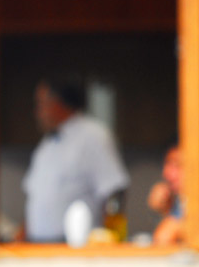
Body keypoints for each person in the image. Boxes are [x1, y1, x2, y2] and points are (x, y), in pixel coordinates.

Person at [22, 79, 129, 243]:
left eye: (41, 103)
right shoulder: (47, 144)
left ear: (58, 103)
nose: (37, 112)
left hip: (74, 246)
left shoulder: (92, 136)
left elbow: (115, 189)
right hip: (37, 245)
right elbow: (37, 197)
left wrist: (112, 236)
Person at [147, 145, 184, 246]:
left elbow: (164, 237)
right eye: (168, 165)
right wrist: (165, 211)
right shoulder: (180, 201)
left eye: (177, 165)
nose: (166, 173)